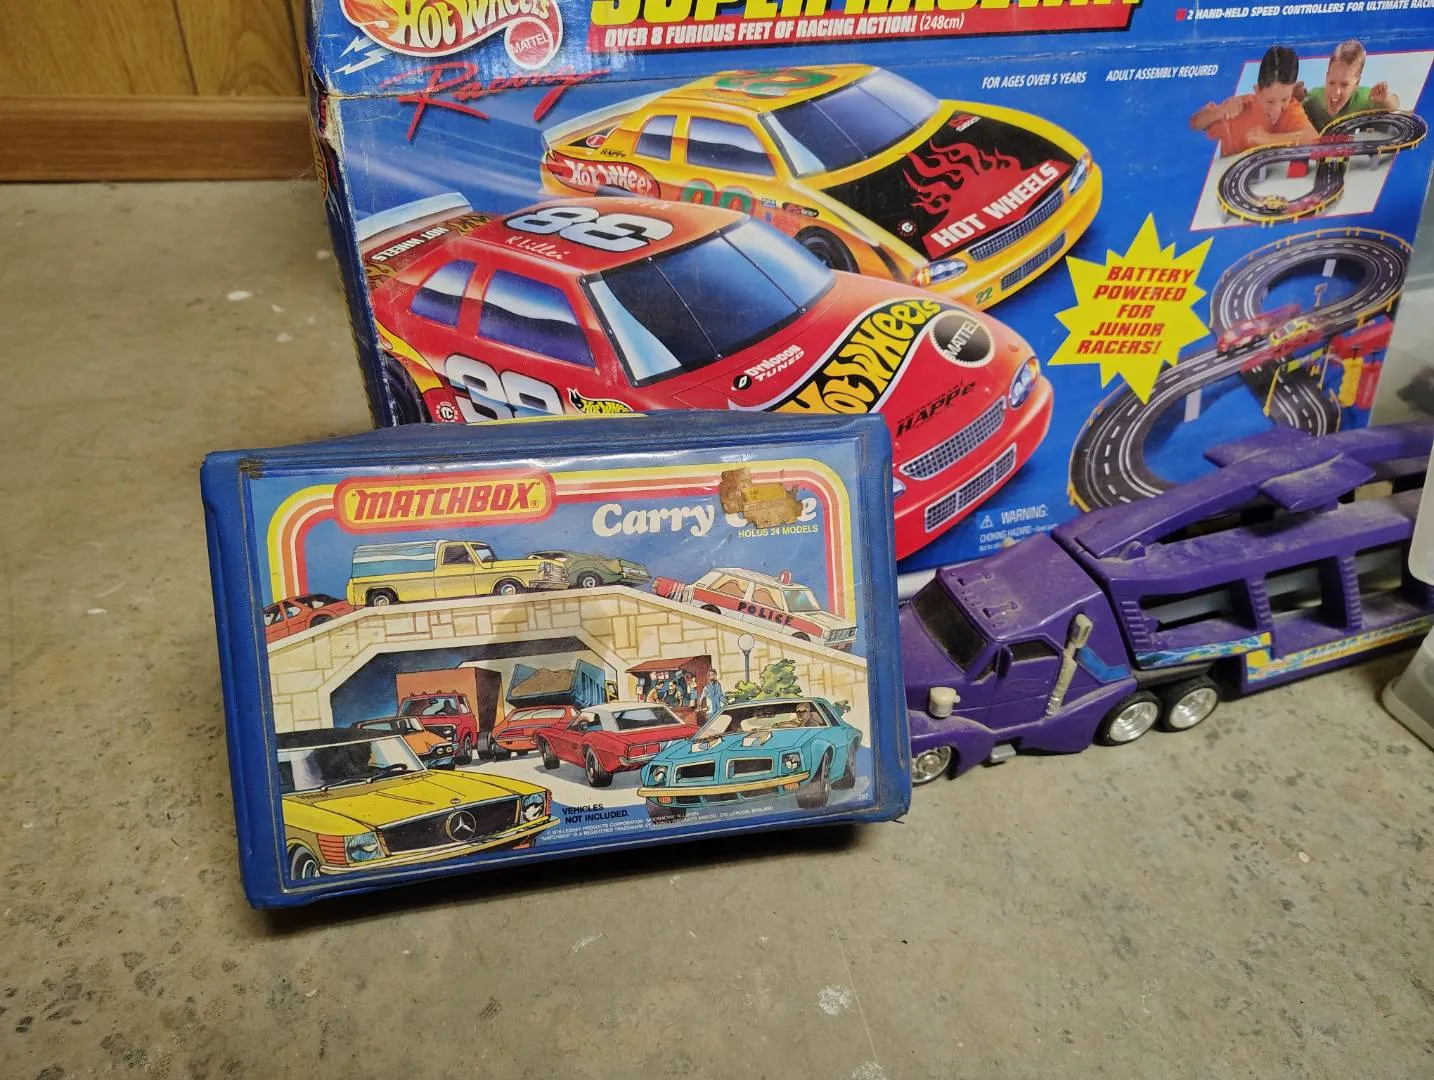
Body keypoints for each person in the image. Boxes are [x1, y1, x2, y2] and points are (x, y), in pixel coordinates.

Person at [1191, 45, 1317, 157]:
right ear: (1257, 91)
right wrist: (1220, 112)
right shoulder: (1240, 108)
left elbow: (1313, 138)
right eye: (1270, 101)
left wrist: (1269, 139)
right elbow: (1195, 123)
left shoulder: (1292, 109)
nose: (1277, 110)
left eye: (1284, 99)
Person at [1300, 40, 1399, 131]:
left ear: (1357, 83)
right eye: (1331, 82)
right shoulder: (1315, 97)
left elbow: (1395, 105)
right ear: (1326, 77)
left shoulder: (1366, 98)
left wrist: (1386, 99)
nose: (1336, 92)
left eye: (1344, 85)